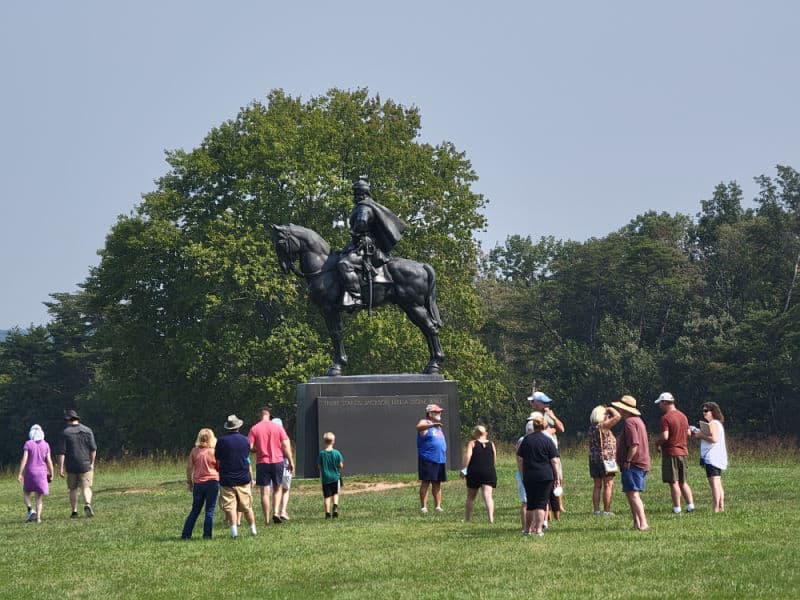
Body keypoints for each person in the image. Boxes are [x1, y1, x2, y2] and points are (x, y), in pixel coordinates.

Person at [336, 176, 408, 307]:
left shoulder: (364, 207)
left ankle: (355, 297)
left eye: (358, 193)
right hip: (359, 243)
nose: (356, 196)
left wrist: (356, 231)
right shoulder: (361, 206)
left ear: (364, 194)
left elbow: (362, 222)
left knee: (344, 264)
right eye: (355, 193)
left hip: (366, 244)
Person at [516, 412, 562, 537]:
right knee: (541, 503)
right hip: (545, 476)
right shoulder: (548, 440)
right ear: (544, 426)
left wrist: (523, 473)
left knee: (530, 504)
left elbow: (520, 459)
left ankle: (527, 530)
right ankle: (538, 529)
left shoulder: (526, 440)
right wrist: (557, 477)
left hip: (529, 475)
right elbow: (554, 460)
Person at [248, 406, 294, 525]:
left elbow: (249, 446)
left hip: (262, 462)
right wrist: (291, 460)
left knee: (265, 491)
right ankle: (276, 512)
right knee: (278, 488)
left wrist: (257, 450)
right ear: (269, 415)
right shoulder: (278, 427)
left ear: (260, 415)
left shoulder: (254, 428)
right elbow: (285, 445)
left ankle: (267, 520)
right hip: (278, 461)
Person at [611, 395, 651, 531]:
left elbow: (634, 444)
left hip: (634, 463)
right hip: (640, 462)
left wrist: (627, 460)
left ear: (625, 410)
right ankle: (636, 523)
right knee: (630, 493)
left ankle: (643, 523)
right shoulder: (638, 421)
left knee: (633, 494)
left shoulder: (629, 423)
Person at [215, 415, 257, 538]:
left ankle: (234, 532)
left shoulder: (221, 441)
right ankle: (253, 529)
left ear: (228, 427)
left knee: (230, 507)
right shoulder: (245, 440)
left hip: (227, 478)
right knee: (247, 506)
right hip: (243, 477)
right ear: (239, 426)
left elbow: (218, 458)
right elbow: (246, 456)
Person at [654, 392, 695, 514]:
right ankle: (690, 506)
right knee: (683, 481)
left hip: (671, 452)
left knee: (673, 482)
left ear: (665, 402)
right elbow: (688, 433)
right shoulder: (683, 416)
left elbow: (665, 436)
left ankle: (677, 508)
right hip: (683, 451)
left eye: (660, 403)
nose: (659, 405)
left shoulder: (666, 418)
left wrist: (657, 443)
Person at [528, 391, 566, 513]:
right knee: (547, 479)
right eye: (545, 403)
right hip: (541, 453)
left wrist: (553, 417)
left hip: (553, 452)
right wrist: (550, 430)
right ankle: (547, 504)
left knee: (558, 477)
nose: (547, 405)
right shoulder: (533, 417)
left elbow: (561, 429)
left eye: (533, 401)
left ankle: (559, 504)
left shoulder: (549, 415)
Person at [55, 409, 97, 518]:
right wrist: (92, 463)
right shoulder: (87, 430)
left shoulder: (65, 433)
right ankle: (87, 503)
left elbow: (61, 453)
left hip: (71, 465)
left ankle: (74, 511)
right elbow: (93, 449)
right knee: (86, 487)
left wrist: (61, 468)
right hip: (85, 464)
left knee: (73, 489)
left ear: (68, 420)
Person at [181, 428, 220, 539]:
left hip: (198, 483)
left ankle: (186, 534)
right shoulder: (214, 451)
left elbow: (189, 467)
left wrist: (189, 481)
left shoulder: (194, 451)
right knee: (210, 510)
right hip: (213, 482)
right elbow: (219, 466)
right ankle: (207, 535)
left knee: (195, 510)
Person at [691, 402, 728, 512]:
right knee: (717, 482)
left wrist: (700, 435)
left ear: (713, 412)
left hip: (712, 457)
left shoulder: (713, 424)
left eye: (706, 411)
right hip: (716, 457)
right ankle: (721, 507)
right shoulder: (715, 424)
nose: (704, 413)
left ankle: (716, 508)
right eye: (703, 411)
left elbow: (714, 439)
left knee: (714, 483)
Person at [588, 405, 621, 516]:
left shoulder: (592, 428)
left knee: (597, 485)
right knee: (608, 484)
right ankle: (607, 510)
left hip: (594, 460)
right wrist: (609, 408)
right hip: (606, 460)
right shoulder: (603, 426)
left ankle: (596, 510)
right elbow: (618, 416)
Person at [17, 424, 54, 523]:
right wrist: (52, 473)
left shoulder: (28, 444)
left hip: (30, 472)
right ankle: (38, 518)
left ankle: (30, 510)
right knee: (39, 497)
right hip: (42, 473)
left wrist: (20, 473)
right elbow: (49, 461)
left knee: (26, 492)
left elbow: (24, 459)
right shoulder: (46, 444)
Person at [461, 425, 497, 523]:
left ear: (475, 433)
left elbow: (468, 456)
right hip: (489, 472)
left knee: (471, 497)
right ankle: (491, 519)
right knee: (488, 496)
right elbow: (494, 459)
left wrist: (464, 469)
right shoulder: (491, 444)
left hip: (474, 472)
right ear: (485, 433)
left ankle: (467, 519)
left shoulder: (472, 443)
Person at [416, 403, 447, 514]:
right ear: (430, 413)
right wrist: (431, 426)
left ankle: (438, 506)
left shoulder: (437, 425)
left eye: (440, 411)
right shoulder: (425, 422)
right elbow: (418, 427)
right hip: (428, 458)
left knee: (437, 483)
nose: (440, 413)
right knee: (426, 482)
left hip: (439, 459)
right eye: (437, 412)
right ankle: (423, 507)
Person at [317, 431, 344, 519]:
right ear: (333, 441)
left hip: (325, 479)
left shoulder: (321, 454)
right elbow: (341, 465)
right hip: (335, 477)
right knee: (335, 493)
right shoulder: (337, 453)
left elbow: (319, 466)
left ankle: (327, 513)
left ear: (324, 441)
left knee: (327, 496)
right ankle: (335, 506)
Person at [515, 419, 536, 532]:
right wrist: (523, 475)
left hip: (533, 474)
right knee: (526, 501)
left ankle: (534, 527)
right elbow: (519, 459)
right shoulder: (522, 441)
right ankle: (525, 528)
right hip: (524, 474)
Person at [271, 418, 293, 520]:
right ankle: (283, 511)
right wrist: (291, 462)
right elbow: (287, 449)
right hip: (284, 463)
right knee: (285, 489)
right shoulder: (284, 437)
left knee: (276, 489)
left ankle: (275, 511)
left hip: (273, 463)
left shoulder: (269, 438)